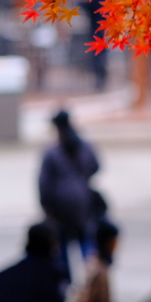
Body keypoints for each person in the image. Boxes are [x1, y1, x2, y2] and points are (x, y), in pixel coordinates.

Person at [38, 109, 102, 279]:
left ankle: (65, 282)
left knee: (63, 246)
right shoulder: (85, 146)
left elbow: (43, 183)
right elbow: (96, 166)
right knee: (86, 241)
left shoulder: (51, 152)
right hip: (83, 200)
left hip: (60, 206)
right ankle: (92, 278)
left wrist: (45, 206)